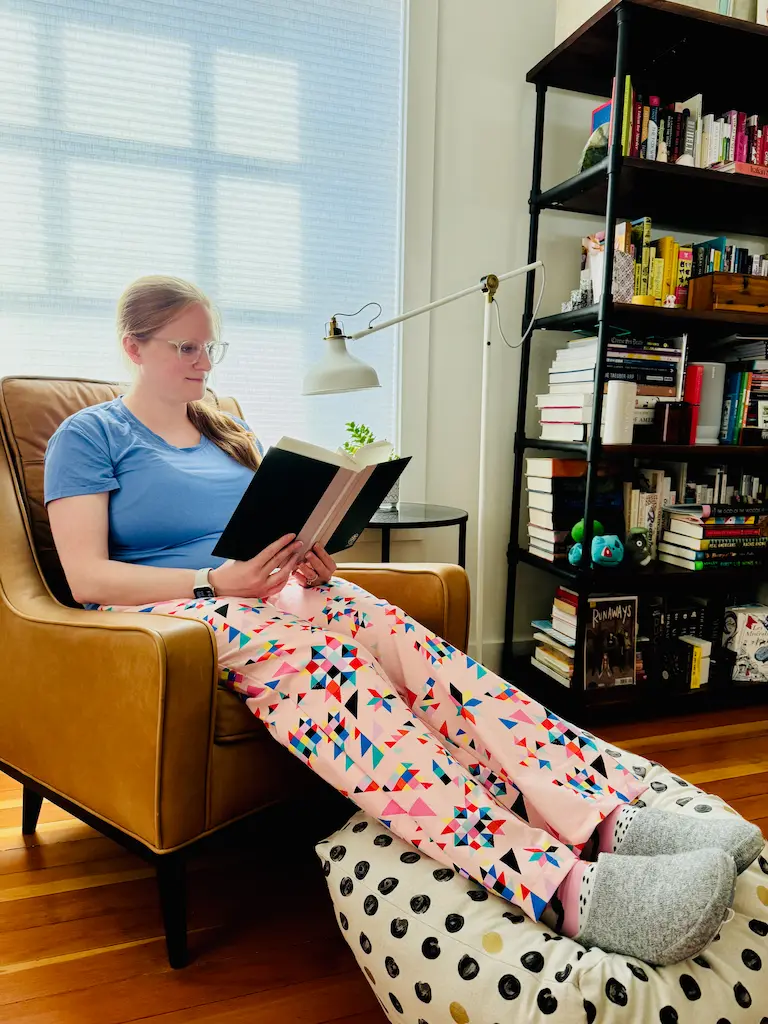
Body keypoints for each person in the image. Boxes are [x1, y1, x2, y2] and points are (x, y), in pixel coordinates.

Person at [44, 275, 762, 966]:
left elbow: (259, 528)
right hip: (173, 612)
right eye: (186, 348)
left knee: (417, 648)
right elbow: (85, 577)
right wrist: (214, 580)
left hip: (264, 591)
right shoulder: (90, 435)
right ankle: (563, 889)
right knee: (336, 672)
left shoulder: (226, 430)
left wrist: (305, 559)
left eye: (211, 348)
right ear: (134, 347)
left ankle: (605, 818)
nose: (204, 363)